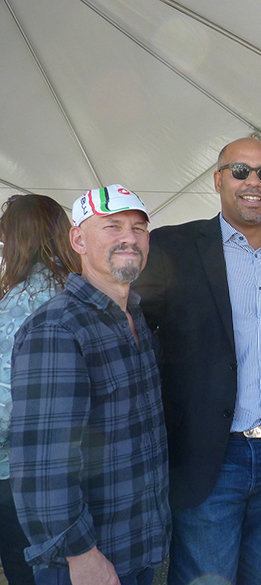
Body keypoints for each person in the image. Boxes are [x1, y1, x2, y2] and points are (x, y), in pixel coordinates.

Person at [133, 137, 261, 585]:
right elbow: (134, 335)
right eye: (241, 171)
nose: (254, 183)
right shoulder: (172, 246)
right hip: (209, 455)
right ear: (217, 180)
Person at [9, 186, 170, 584]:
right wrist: (81, 555)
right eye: (112, 226)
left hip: (134, 546)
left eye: (138, 228)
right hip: (87, 562)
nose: (129, 238)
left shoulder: (133, 316)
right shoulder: (57, 327)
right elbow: (44, 465)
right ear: (78, 239)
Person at [0, 195, 80, 585]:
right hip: (73, 464)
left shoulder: (23, 300)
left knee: (26, 567)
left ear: (16, 238)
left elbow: (6, 396)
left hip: (17, 471)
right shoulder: (79, 289)